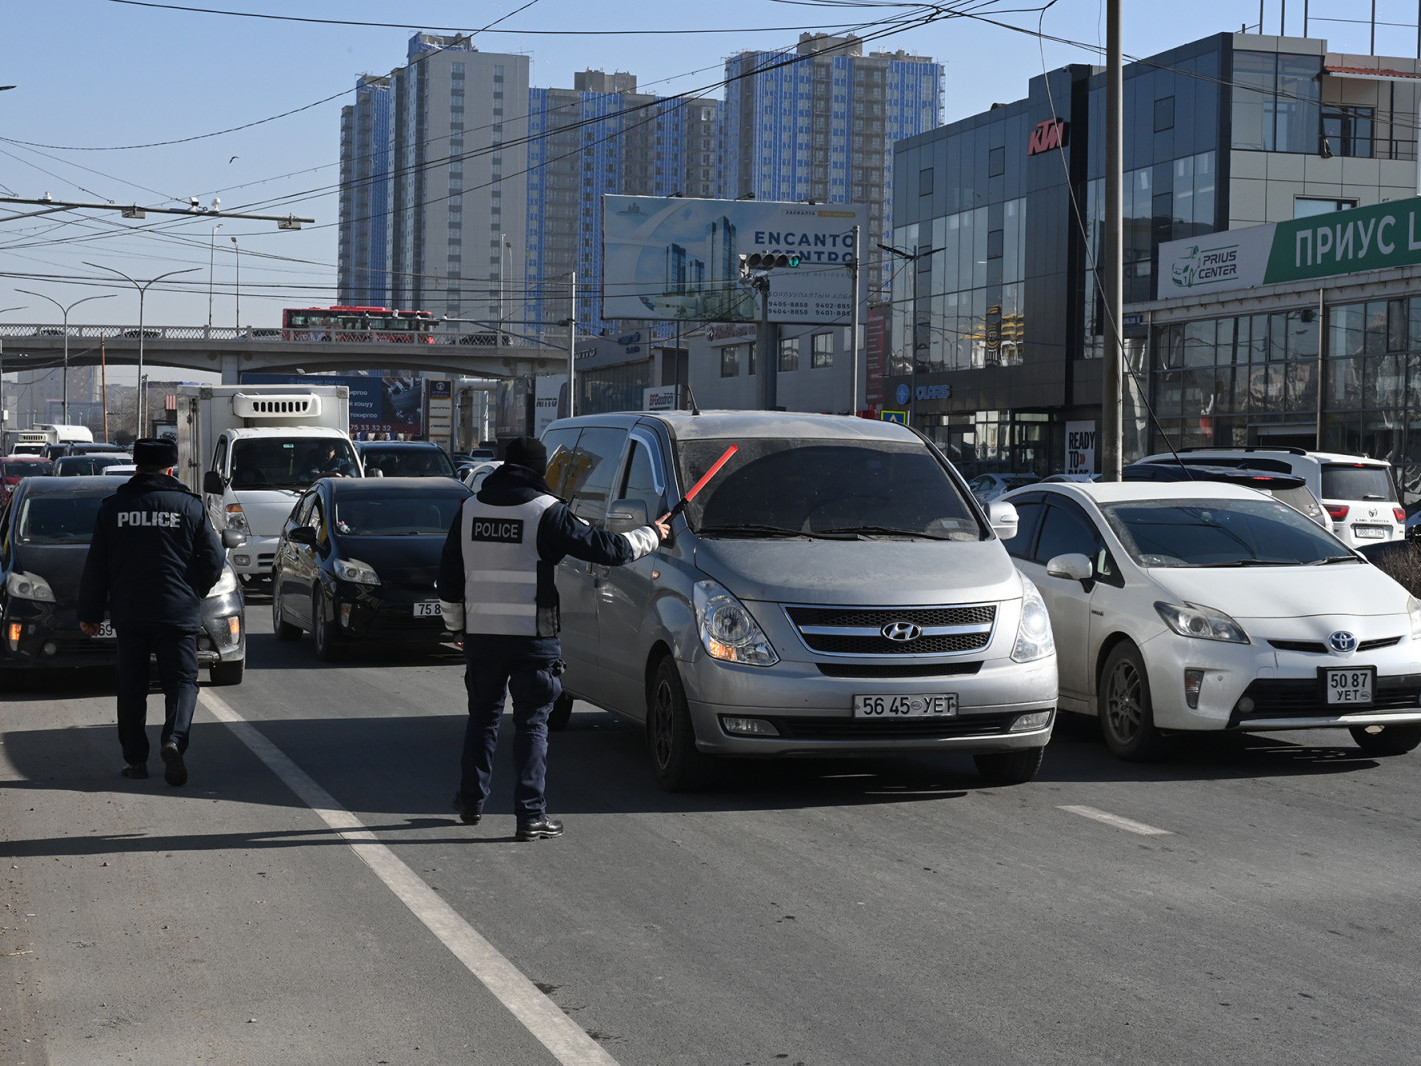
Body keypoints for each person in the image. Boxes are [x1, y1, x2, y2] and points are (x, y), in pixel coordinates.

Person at [438, 437, 670, 840]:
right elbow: (610, 549)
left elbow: (449, 578)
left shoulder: (470, 510)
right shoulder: (547, 512)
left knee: (482, 719)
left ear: (504, 466)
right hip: (532, 638)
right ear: (540, 470)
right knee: (531, 726)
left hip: (483, 639)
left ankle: (471, 802)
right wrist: (653, 533)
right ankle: (530, 816)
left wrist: (457, 627)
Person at [78, 438, 226, 786]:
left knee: (131, 687)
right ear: (171, 469)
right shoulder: (189, 507)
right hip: (177, 612)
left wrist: (91, 613)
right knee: (183, 682)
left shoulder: (113, 508)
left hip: (130, 613)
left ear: (137, 467)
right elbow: (215, 559)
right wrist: (195, 589)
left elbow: (97, 566)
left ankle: (135, 761)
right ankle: (173, 740)